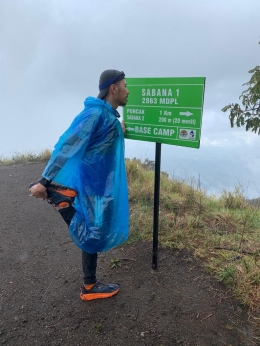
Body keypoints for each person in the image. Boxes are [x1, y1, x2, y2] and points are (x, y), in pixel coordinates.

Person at [29, 70, 130, 301]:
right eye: (124, 85)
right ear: (113, 88)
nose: (128, 90)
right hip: (95, 186)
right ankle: (63, 203)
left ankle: (90, 284)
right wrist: (44, 181)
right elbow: (67, 145)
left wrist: (119, 131)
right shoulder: (95, 114)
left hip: (101, 184)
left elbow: (102, 141)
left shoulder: (106, 116)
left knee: (95, 230)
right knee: (94, 232)